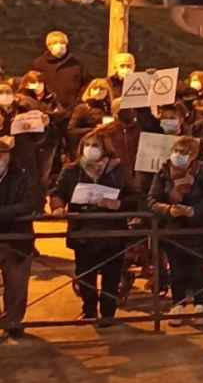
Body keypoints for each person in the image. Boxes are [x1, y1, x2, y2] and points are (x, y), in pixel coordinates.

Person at [49, 130, 131, 325]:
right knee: (86, 275)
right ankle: (89, 310)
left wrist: (118, 205)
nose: (90, 149)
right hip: (83, 232)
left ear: (105, 149)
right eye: (87, 145)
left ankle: (108, 313)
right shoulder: (71, 170)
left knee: (111, 276)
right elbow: (58, 192)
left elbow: (135, 197)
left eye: (96, 146)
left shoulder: (118, 170)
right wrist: (58, 206)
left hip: (112, 232)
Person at [148, 137, 203, 319]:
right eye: (177, 151)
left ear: (194, 156)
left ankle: (200, 305)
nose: (179, 156)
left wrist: (194, 211)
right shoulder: (163, 173)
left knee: (199, 269)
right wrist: (169, 210)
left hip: (199, 230)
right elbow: (152, 201)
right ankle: (177, 305)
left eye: (185, 153)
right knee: (177, 270)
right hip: (173, 230)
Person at [0, 135, 41, 339]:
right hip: (11, 230)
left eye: (1, 155)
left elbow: (29, 203)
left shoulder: (22, 175)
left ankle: (13, 321)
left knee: (16, 284)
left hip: (17, 238)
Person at [32, 30, 87, 110]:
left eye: (62, 43)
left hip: (71, 109)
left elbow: (87, 83)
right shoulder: (39, 64)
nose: (60, 45)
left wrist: (78, 101)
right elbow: (31, 83)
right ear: (49, 46)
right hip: (46, 109)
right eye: (55, 43)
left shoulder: (77, 63)